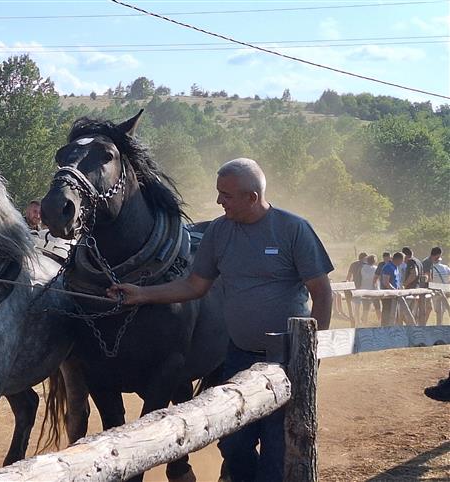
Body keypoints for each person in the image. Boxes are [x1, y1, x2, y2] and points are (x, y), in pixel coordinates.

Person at [107, 158, 333, 482]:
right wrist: (142, 294)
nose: (218, 201)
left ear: (252, 198)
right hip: (239, 355)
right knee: (233, 443)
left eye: (225, 195)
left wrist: (311, 354)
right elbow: (194, 285)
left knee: (276, 450)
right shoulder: (219, 231)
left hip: (286, 358)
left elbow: (322, 293)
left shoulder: (293, 229)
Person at [379, 252, 404, 326]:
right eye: (402, 260)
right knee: (387, 312)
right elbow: (385, 282)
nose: (402, 262)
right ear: (399, 259)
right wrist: (395, 291)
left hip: (393, 295)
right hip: (388, 295)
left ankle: (393, 329)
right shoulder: (388, 267)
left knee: (394, 314)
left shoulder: (395, 267)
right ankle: (384, 329)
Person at [358, 255, 380, 324]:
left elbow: (363, 277)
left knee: (366, 307)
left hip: (365, 289)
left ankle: (364, 321)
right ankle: (380, 321)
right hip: (374, 290)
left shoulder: (363, 268)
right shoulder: (376, 268)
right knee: (377, 307)